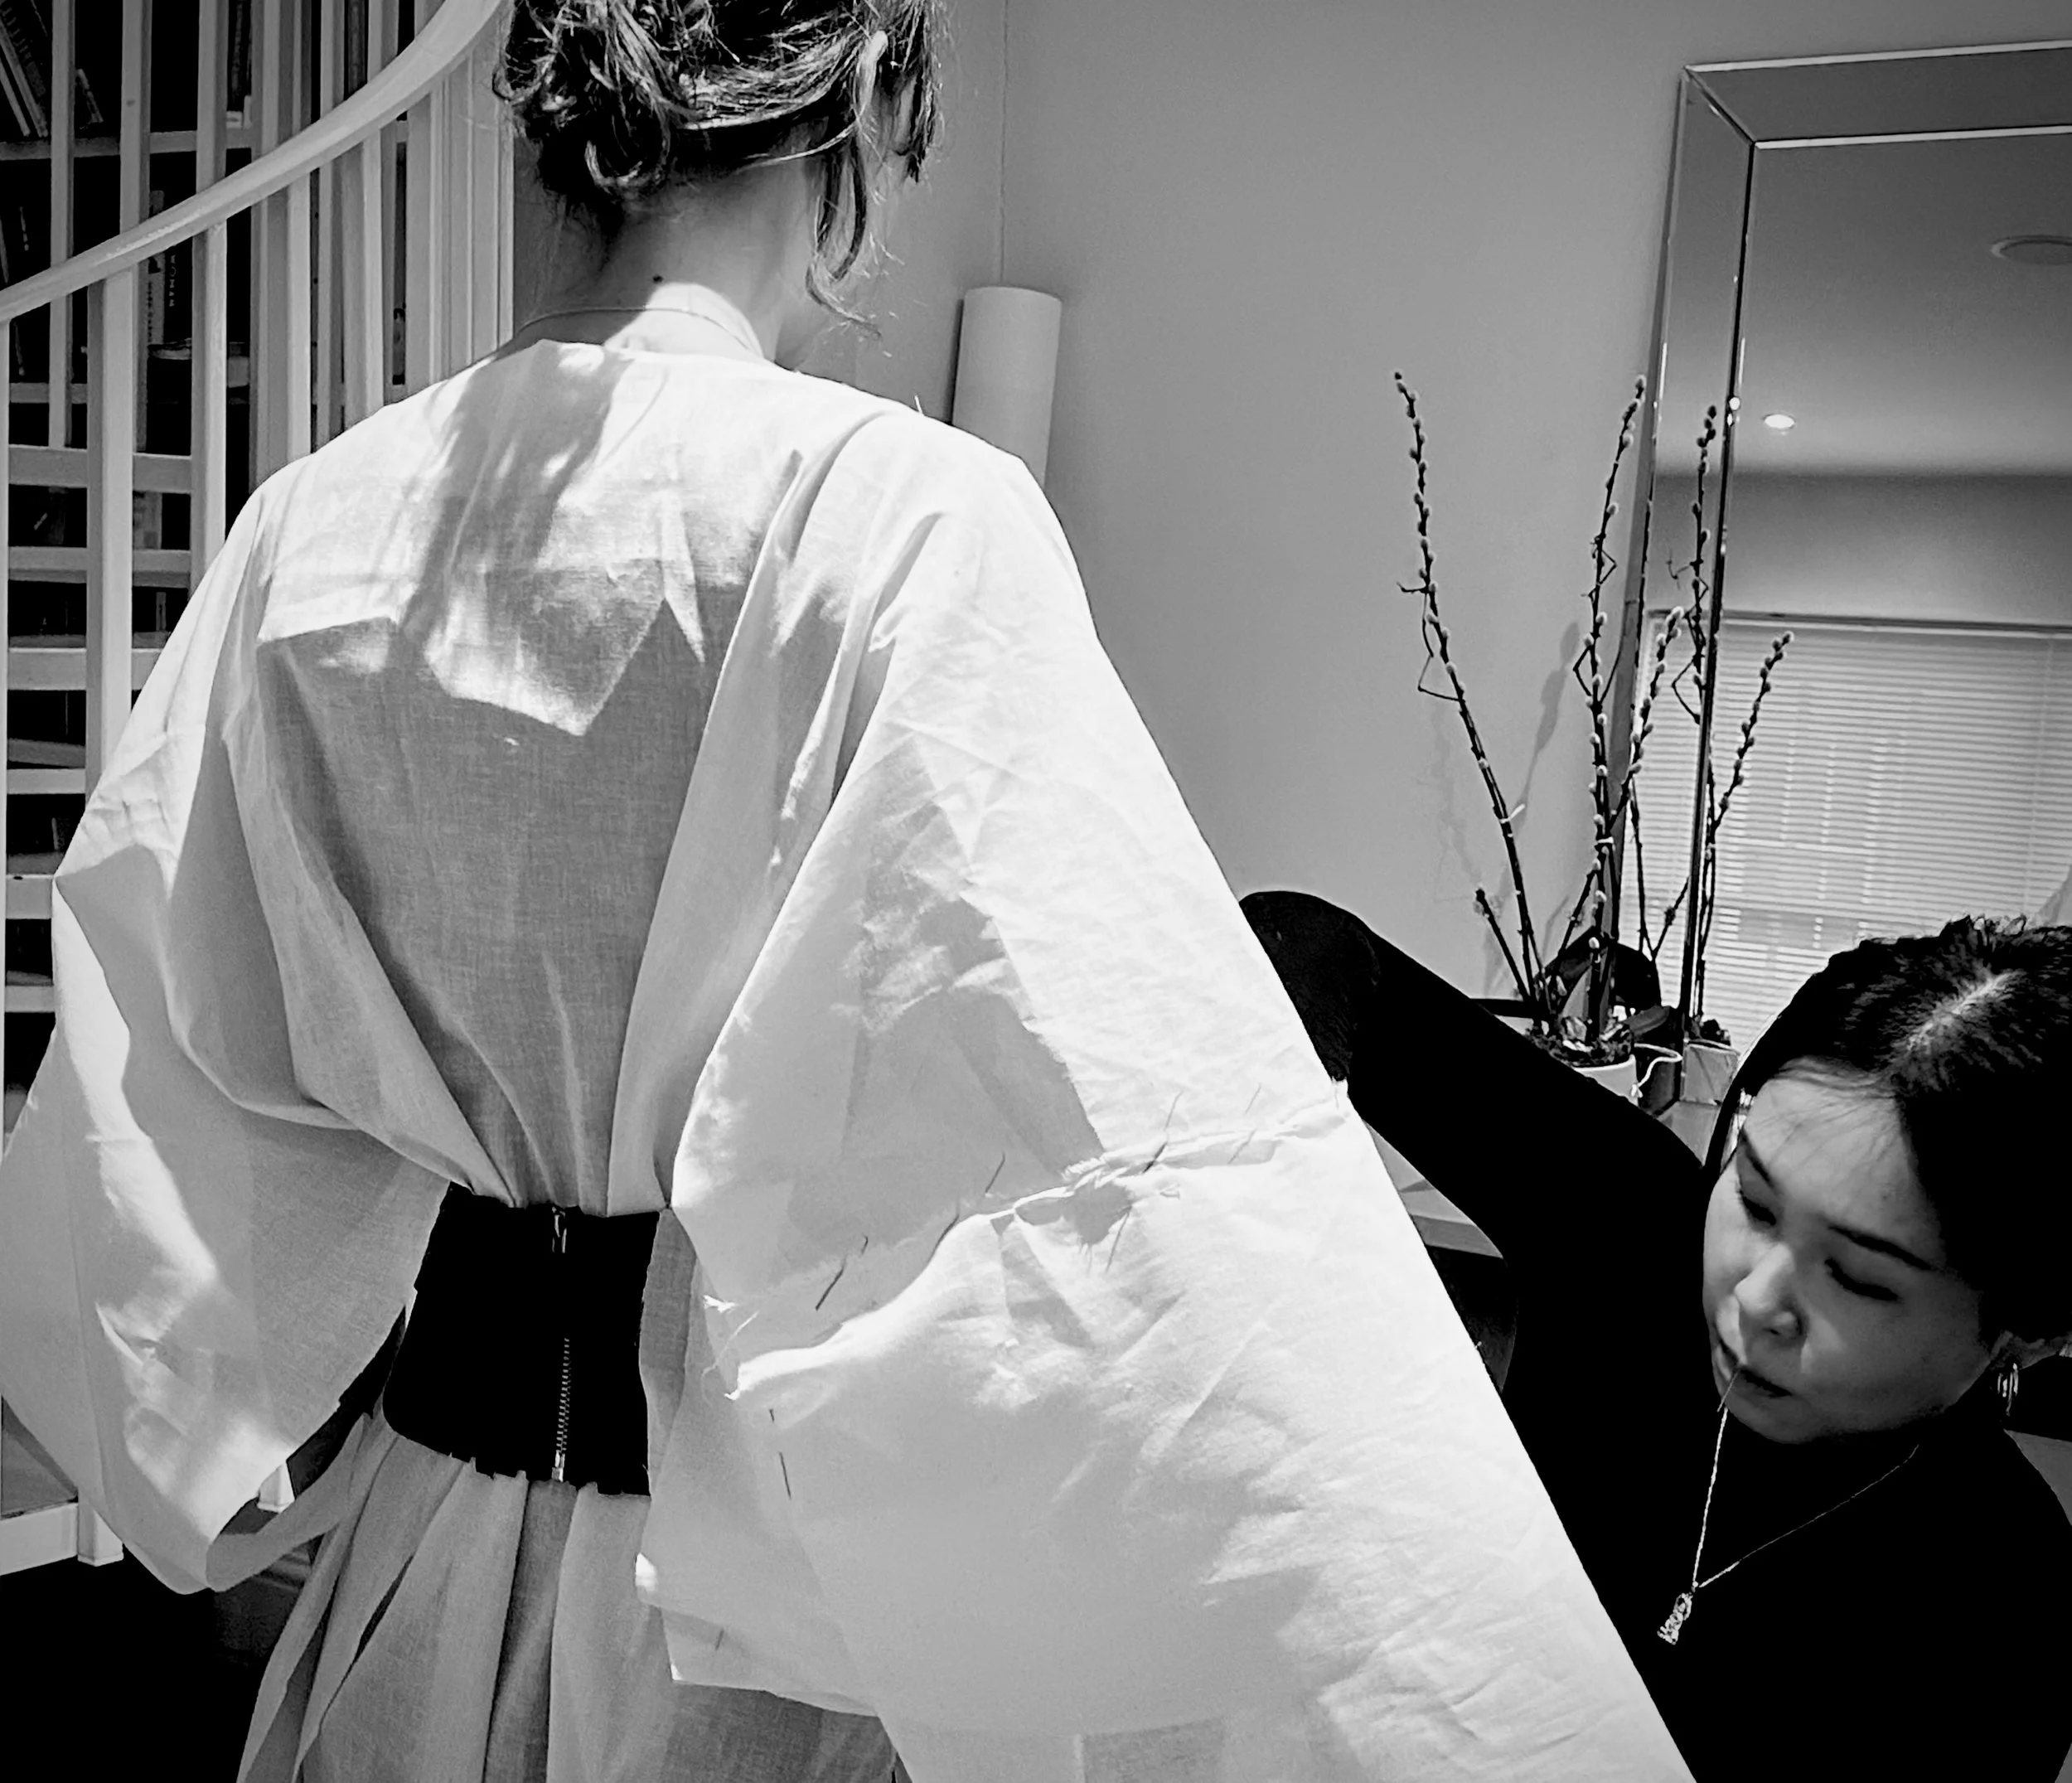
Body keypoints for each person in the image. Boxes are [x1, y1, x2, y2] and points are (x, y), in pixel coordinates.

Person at [0, 5, 1702, 1780]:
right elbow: (1090, 1135)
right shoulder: (896, 511)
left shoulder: (309, 524)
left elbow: (165, 1059)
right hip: (755, 1609)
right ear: (872, 99)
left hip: (425, 1547)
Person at [1242, 893, 2072, 1781]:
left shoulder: (2008, 1596)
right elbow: (1302, 939)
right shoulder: (1634, 1225)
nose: (1754, 1300)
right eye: (1753, 1199)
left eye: (1858, 1279)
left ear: (2026, 1329)